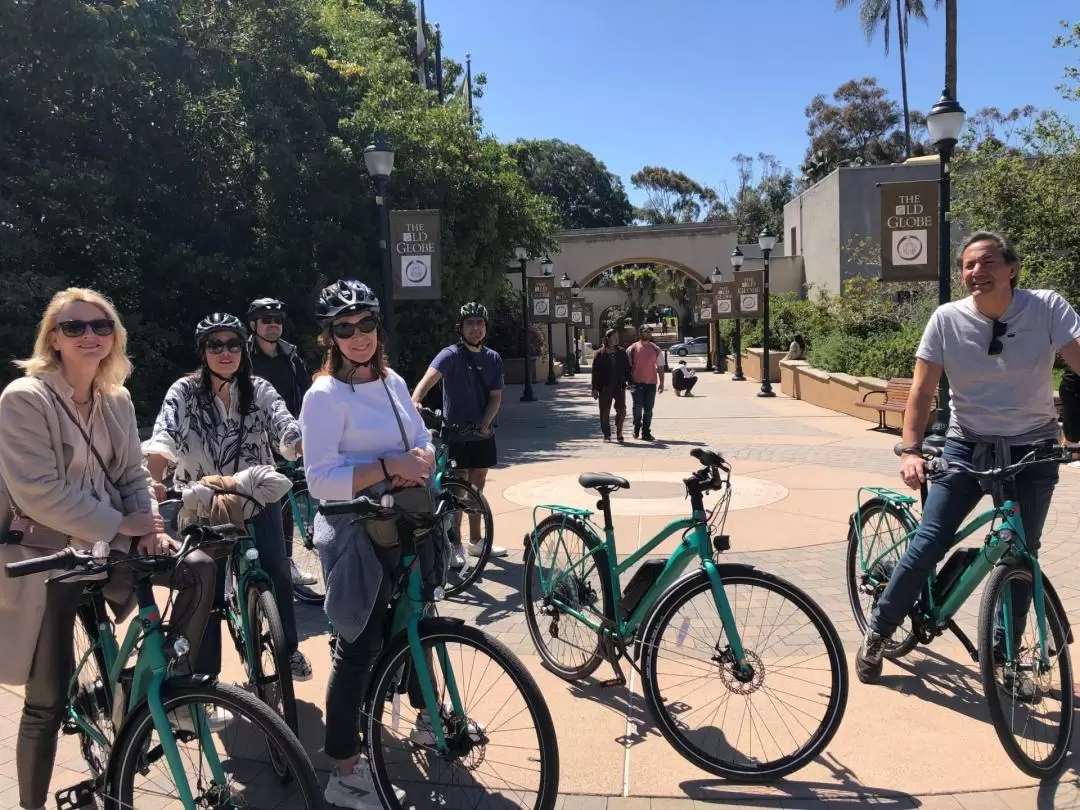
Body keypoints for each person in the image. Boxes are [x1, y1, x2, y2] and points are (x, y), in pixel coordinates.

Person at [0, 288, 216, 810]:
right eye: (75, 327)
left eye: (101, 326)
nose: (89, 335)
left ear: (114, 336)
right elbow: (39, 492)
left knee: (199, 567)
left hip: (108, 543)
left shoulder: (115, 398)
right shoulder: (24, 398)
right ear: (53, 338)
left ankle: (154, 694)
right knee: (46, 701)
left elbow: (131, 472)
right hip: (47, 557)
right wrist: (124, 525)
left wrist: (148, 528)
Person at [856, 231, 1080, 689]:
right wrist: (913, 449)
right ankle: (879, 631)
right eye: (967, 265)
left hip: (1032, 449)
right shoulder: (946, 319)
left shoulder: (1047, 309)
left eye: (987, 262)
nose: (976, 272)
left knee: (1023, 555)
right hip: (966, 445)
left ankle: (1004, 659)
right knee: (929, 541)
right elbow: (921, 390)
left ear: (1012, 269)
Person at [300, 280, 435, 810]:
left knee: (415, 623)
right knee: (357, 646)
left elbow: (418, 436)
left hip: (402, 519)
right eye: (344, 328)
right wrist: (385, 468)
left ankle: (429, 719)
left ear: (379, 327)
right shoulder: (324, 395)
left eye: (366, 325)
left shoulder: (394, 380)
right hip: (355, 531)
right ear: (330, 336)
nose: (358, 337)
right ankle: (344, 770)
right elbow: (318, 480)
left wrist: (420, 459)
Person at [145, 312, 313, 682]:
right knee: (206, 589)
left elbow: (286, 426)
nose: (225, 352)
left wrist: (303, 447)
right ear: (202, 352)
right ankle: (204, 681)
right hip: (204, 502)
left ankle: (289, 649)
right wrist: (153, 482)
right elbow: (164, 437)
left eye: (233, 344)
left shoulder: (259, 389)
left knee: (276, 569)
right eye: (215, 345)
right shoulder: (185, 392)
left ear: (244, 349)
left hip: (254, 494)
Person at [411, 302, 507, 566]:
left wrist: (486, 423)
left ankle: (476, 541)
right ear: (460, 328)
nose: (475, 328)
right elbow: (428, 378)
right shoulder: (450, 354)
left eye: (480, 323)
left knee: (477, 485)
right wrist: (416, 399)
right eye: (470, 323)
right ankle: (454, 544)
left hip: (481, 433)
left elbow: (495, 397)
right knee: (458, 489)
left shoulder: (492, 358)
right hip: (456, 432)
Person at [246, 297, 316, 587]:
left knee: (284, 499)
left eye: (276, 320)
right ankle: (240, 564)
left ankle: (286, 562)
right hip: (250, 440)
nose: (273, 325)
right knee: (247, 502)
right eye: (266, 320)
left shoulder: (291, 356)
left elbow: (307, 392)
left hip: (286, 440)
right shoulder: (243, 355)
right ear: (254, 325)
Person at [627, 323, 665, 441]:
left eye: (650, 332)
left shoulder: (656, 349)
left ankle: (646, 432)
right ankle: (636, 427)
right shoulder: (632, 348)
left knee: (648, 409)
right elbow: (627, 367)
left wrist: (662, 382)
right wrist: (628, 382)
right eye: (646, 331)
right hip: (636, 383)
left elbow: (660, 367)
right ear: (640, 333)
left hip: (651, 383)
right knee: (637, 407)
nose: (648, 334)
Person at [591, 328, 631, 442]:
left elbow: (627, 368)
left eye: (617, 337)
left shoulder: (621, 352)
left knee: (622, 410)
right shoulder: (600, 353)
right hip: (605, 386)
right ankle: (606, 435)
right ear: (607, 338)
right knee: (604, 411)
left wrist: (630, 382)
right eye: (614, 337)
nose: (616, 339)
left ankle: (619, 432)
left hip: (619, 386)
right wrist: (594, 388)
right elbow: (595, 372)